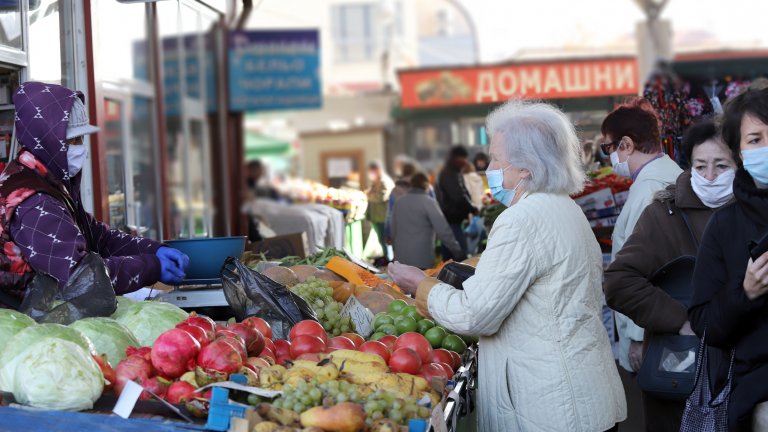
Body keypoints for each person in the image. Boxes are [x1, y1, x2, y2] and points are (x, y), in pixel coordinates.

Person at [389, 100, 626, 432]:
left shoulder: (521, 220)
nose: (490, 167)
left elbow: (475, 315)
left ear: (525, 168)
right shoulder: (564, 208)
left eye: (497, 158)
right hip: (580, 392)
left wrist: (421, 285)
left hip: (550, 407)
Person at [0, 82, 189, 308]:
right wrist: (150, 266)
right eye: (72, 141)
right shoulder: (33, 200)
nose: (81, 148)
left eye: (81, 139)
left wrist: (154, 249)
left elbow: (99, 237)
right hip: (21, 329)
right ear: (48, 139)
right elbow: (81, 277)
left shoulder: (51, 184)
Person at [605, 118, 737, 431]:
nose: (709, 176)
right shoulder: (664, 213)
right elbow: (619, 282)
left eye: (721, 165)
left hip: (741, 376)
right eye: (700, 165)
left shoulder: (751, 211)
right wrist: (681, 320)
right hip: (681, 375)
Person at [689, 87, 768, 430]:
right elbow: (705, 322)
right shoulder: (725, 225)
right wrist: (746, 292)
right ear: (739, 153)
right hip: (752, 396)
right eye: (755, 139)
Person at [601, 98, 683, 375]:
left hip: (653, 329)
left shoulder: (648, 191)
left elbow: (644, 268)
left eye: (608, 147)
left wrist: (637, 337)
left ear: (626, 144)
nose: (609, 157)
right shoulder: (670, 173)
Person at [390, 173, 463, 269]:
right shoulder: (429, 203)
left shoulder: (399, 202)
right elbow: (443, 231)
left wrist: (396, 251)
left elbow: (393, 230)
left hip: (401, 259)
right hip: (422, 259)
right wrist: (458, 252)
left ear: (411, 184)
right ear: (426, 186)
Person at [435, 146, 477, 259]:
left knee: (451, 255)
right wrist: (472, 208)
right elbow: (459, 196)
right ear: (456, 158)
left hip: (452, 219)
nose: (465, 162)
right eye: (463, 159)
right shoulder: (449, 173)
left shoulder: (452, 171)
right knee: (459, 256)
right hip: (451, 219)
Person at [365, 161, 394, 259]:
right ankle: (387, 258)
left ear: (377, 170)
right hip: (376, 216)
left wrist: (368, 195)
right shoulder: (376, 181)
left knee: (385, 239)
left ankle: (389, 259)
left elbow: (382, 197)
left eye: (371, 171)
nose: (370, 174)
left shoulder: (384, 181)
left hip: (382, 217)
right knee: (381, 240)